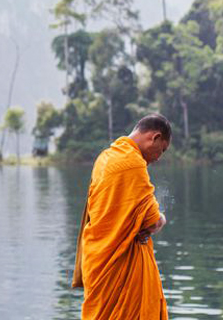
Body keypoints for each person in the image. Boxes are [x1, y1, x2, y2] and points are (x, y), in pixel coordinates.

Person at [72, 113, 171, 319]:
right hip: (120, 262)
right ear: (154, 137)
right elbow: (152, 220)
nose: (159, 157)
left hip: (98, 259)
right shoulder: (133, 164)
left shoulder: (105, 158)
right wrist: (161, 219)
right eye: (161, 149)